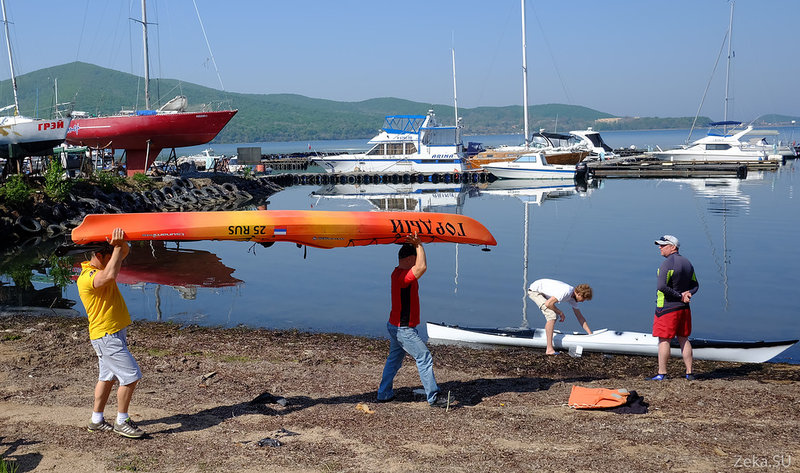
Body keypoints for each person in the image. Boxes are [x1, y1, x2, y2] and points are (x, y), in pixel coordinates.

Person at [77, 228, 145, 438]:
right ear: (99, 256)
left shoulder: (101, 265)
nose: (113, 260)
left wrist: (119, 242)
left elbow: (124, 251)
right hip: (106, 336)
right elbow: (110, 275)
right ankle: (122, 421)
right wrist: (116, 247)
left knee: (106, 378)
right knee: (131, 376)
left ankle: (96, 420)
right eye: (109, 257)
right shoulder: (88, 277)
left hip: (110, 334)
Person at [377, 233, 451, 408]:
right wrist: (419, 244)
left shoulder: (396, 273)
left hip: (395, 326)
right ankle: (433, 397)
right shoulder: (403, 277)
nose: (418, 261)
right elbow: (422, 266)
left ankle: (384, 393)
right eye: (415, 258)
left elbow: (419, 267)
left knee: (393, 361)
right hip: (403, 330)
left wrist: (414, 244)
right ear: (410, 259)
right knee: (424, 357)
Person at [651, 235, 699, 381]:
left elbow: (661, 287)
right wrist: (688, 294)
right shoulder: (687, 263)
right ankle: (689, 373)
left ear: (673, 247)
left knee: (664, 340)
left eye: (663, 245)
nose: (660, 247)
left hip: (666, 309)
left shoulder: (666, 264)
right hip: (684, 309)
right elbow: (695, 285)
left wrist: (679, 296)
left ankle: (662, 373)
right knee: (684, 338)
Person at [527, 279, 593, 355]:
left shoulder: (573, 298)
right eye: (583, 299)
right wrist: (560, 312)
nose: (583, 301)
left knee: (553, 315)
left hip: (542, 292)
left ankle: (549, 338)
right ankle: (549, 349)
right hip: (535, 291)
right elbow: (548, 304)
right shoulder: (566, 292)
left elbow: (580, 317)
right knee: (552, 315)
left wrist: (590, 335)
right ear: (578, 294)